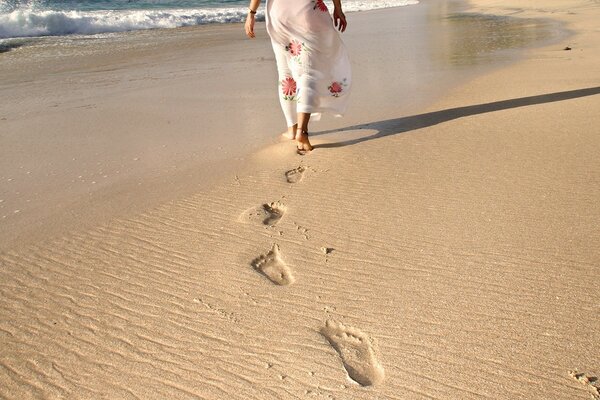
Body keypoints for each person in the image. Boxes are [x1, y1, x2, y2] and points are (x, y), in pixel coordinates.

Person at [245, 0, 351, 153]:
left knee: (285, 73)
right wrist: (338, 8)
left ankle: (292, 129)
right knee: (307, 73)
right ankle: (302, 131)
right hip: (308, 12)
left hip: (279, 15)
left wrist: (251, 13)